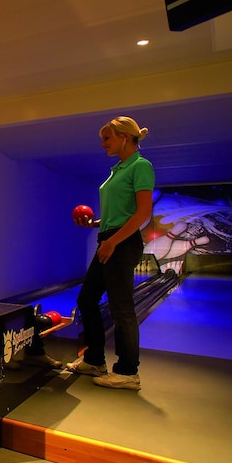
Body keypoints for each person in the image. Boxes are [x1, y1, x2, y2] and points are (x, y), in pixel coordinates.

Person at [66, 116, 155, 390]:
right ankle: (94, 360)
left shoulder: (140, 166)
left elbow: (143, 212)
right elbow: (120, 213)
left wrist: (113, 241)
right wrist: (95, 224)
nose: (103, 143)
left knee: (121, 307)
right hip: (109, 239)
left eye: (107, 138)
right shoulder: (117, 169)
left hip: (122, 243)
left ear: (124, 137)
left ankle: (128, 372)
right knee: (87, 299)